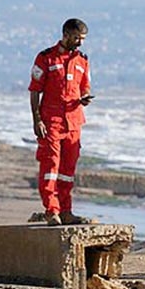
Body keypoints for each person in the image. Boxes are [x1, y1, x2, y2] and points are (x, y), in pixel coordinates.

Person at [28, 18, 95, 226]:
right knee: (50, 168)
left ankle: (66, 210)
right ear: (66, 35)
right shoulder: (45, 57)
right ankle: (51, 210)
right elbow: (34, 91)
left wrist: (85, 97)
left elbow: (85, 87)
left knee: (67, 172)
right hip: (51, 123)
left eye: (82, 39)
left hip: (74, 123)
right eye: (77, 38)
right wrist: (37, 119)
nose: (80, 42)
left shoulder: (82, 60)